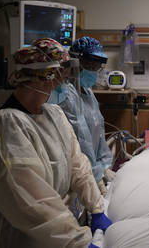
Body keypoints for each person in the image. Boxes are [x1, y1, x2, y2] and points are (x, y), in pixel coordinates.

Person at [0, 38, 111, 248]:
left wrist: (96, 207)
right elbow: (33, 203)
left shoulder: (54, 114)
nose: (63, 82)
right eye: (60, 76)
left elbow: (78, 164)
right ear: (45, 76)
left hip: (55, 237)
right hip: (16, 240)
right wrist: (77, 242)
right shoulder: (6, 127)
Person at [48, 36, 115, 196]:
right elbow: (81, 137)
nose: (95, 70)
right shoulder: (65, 95)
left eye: (97, 66)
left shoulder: (88, 93)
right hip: (76, 171)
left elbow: (98, 132)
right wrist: (95, 174)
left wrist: (105, 166)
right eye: (91, 65)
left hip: (93, 168)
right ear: (77, 64)